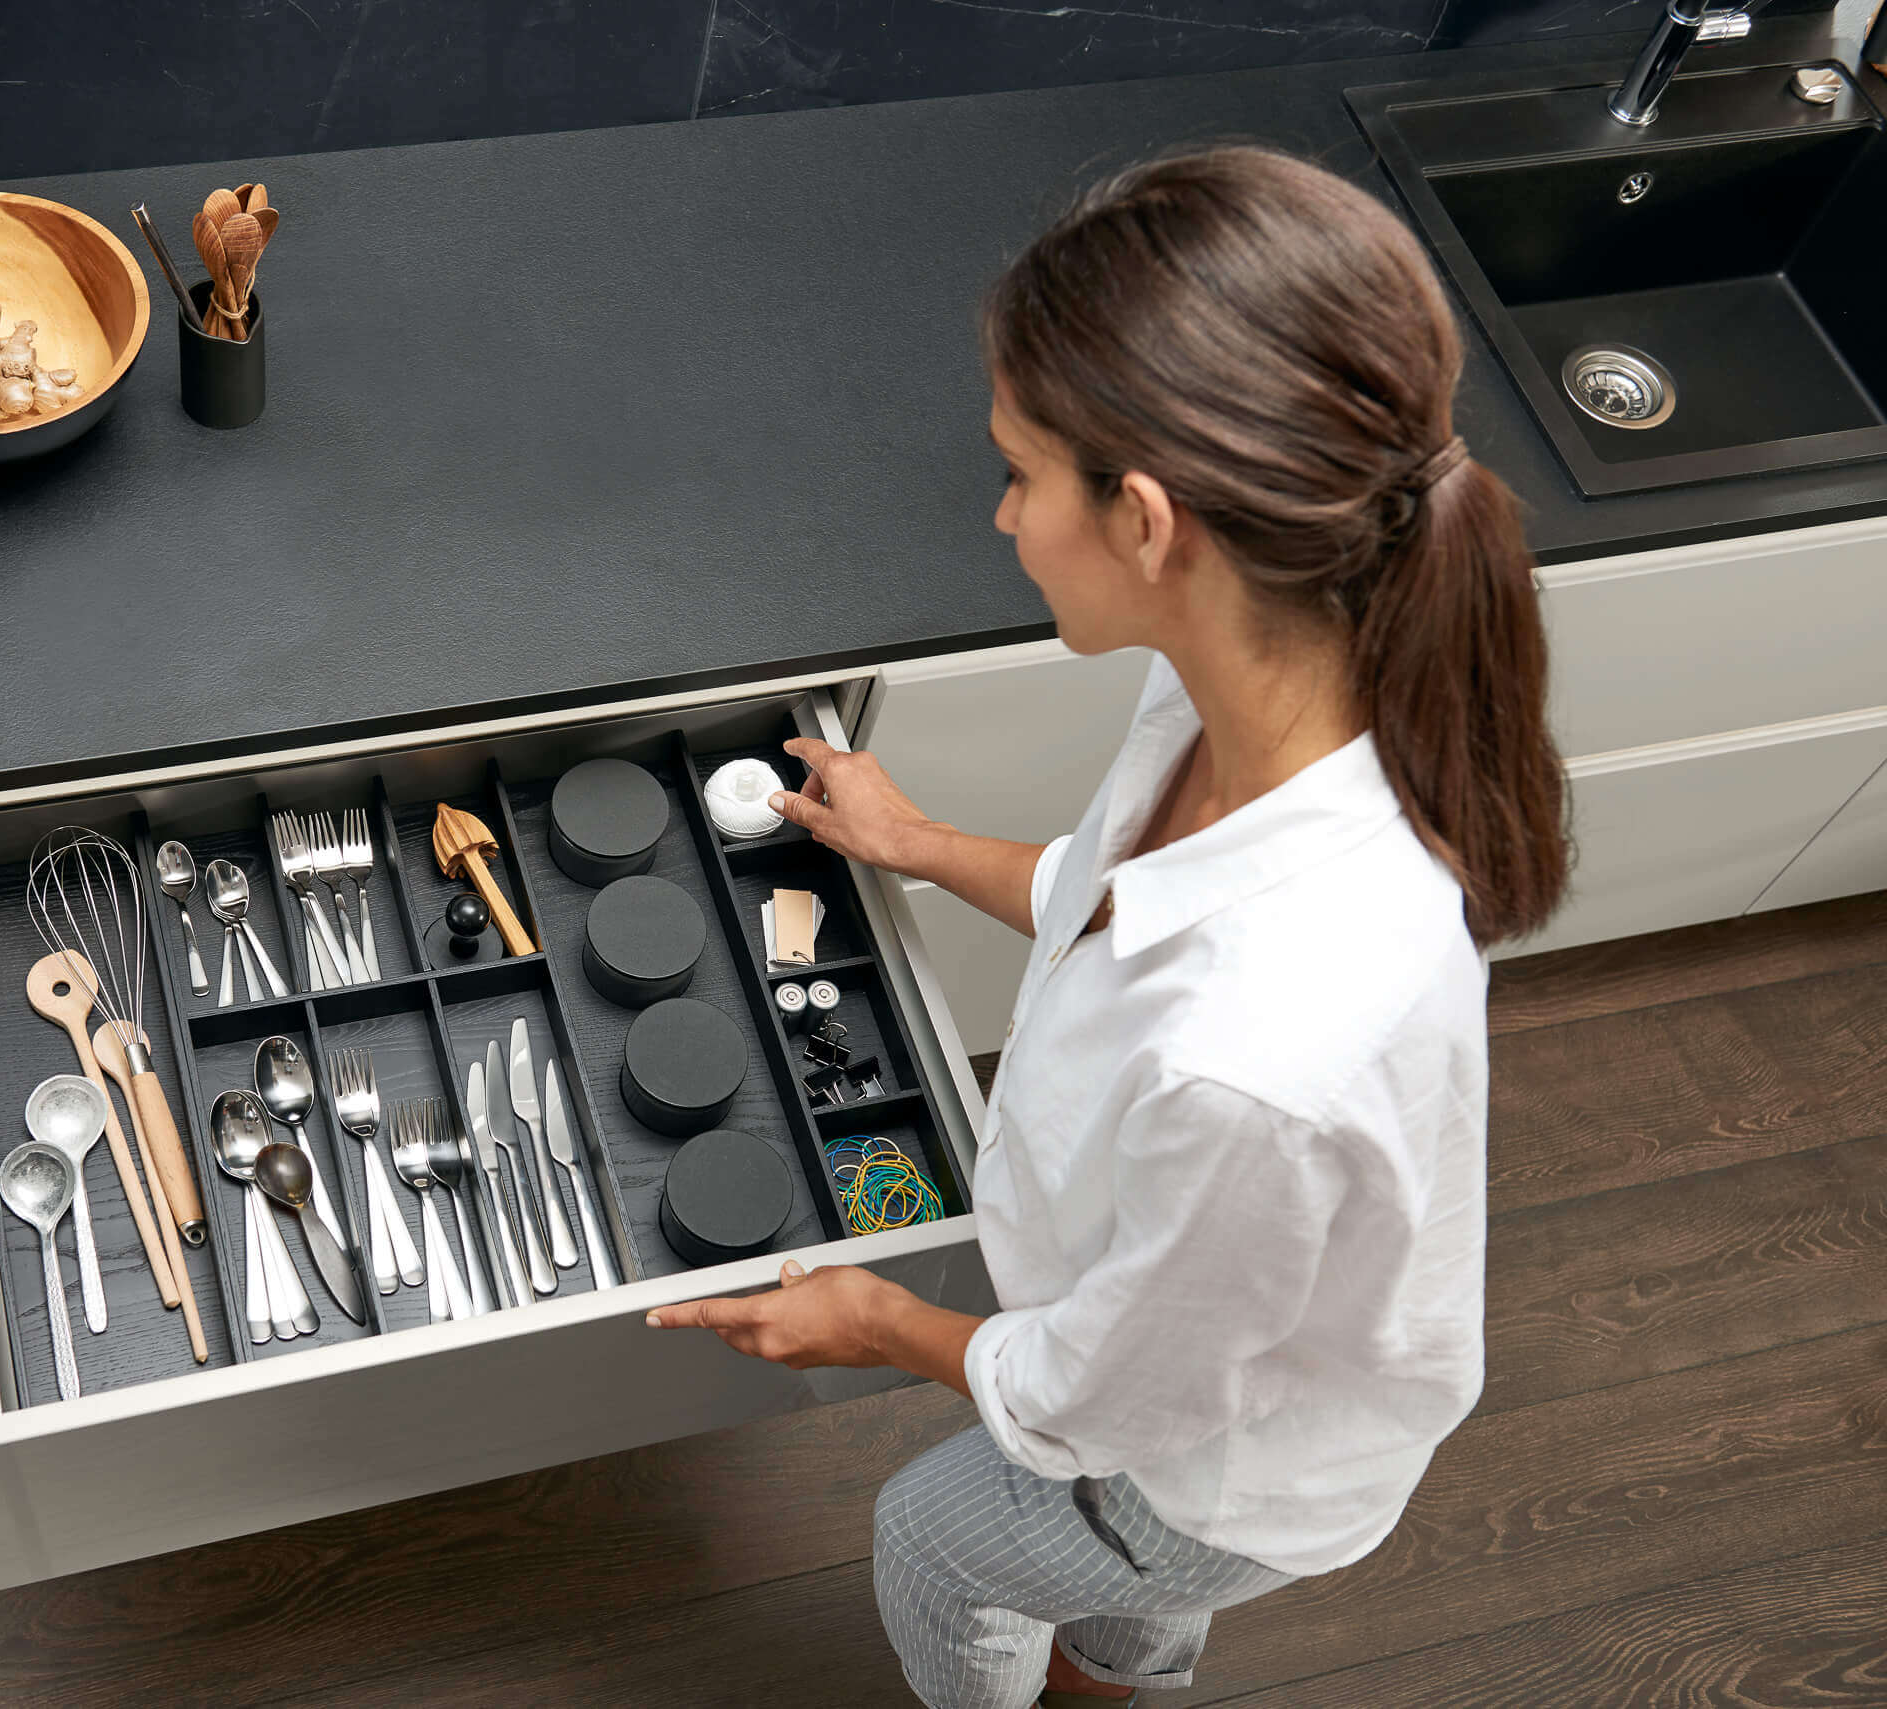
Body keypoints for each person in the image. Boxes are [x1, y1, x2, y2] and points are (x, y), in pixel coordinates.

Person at [645, 146, 1569, 1709]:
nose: (1003, 515)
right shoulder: (1254, 686)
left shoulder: (1257, 1062)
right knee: (1124, 1609)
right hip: (1192, 1355)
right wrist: (918, 844)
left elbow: (1093, 1402)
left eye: (1018, 473)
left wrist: (880, 1320)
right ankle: (1125, 1672)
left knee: (938, 1536)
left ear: (1145, 520)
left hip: (1211, 1475)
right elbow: (1112, 899)